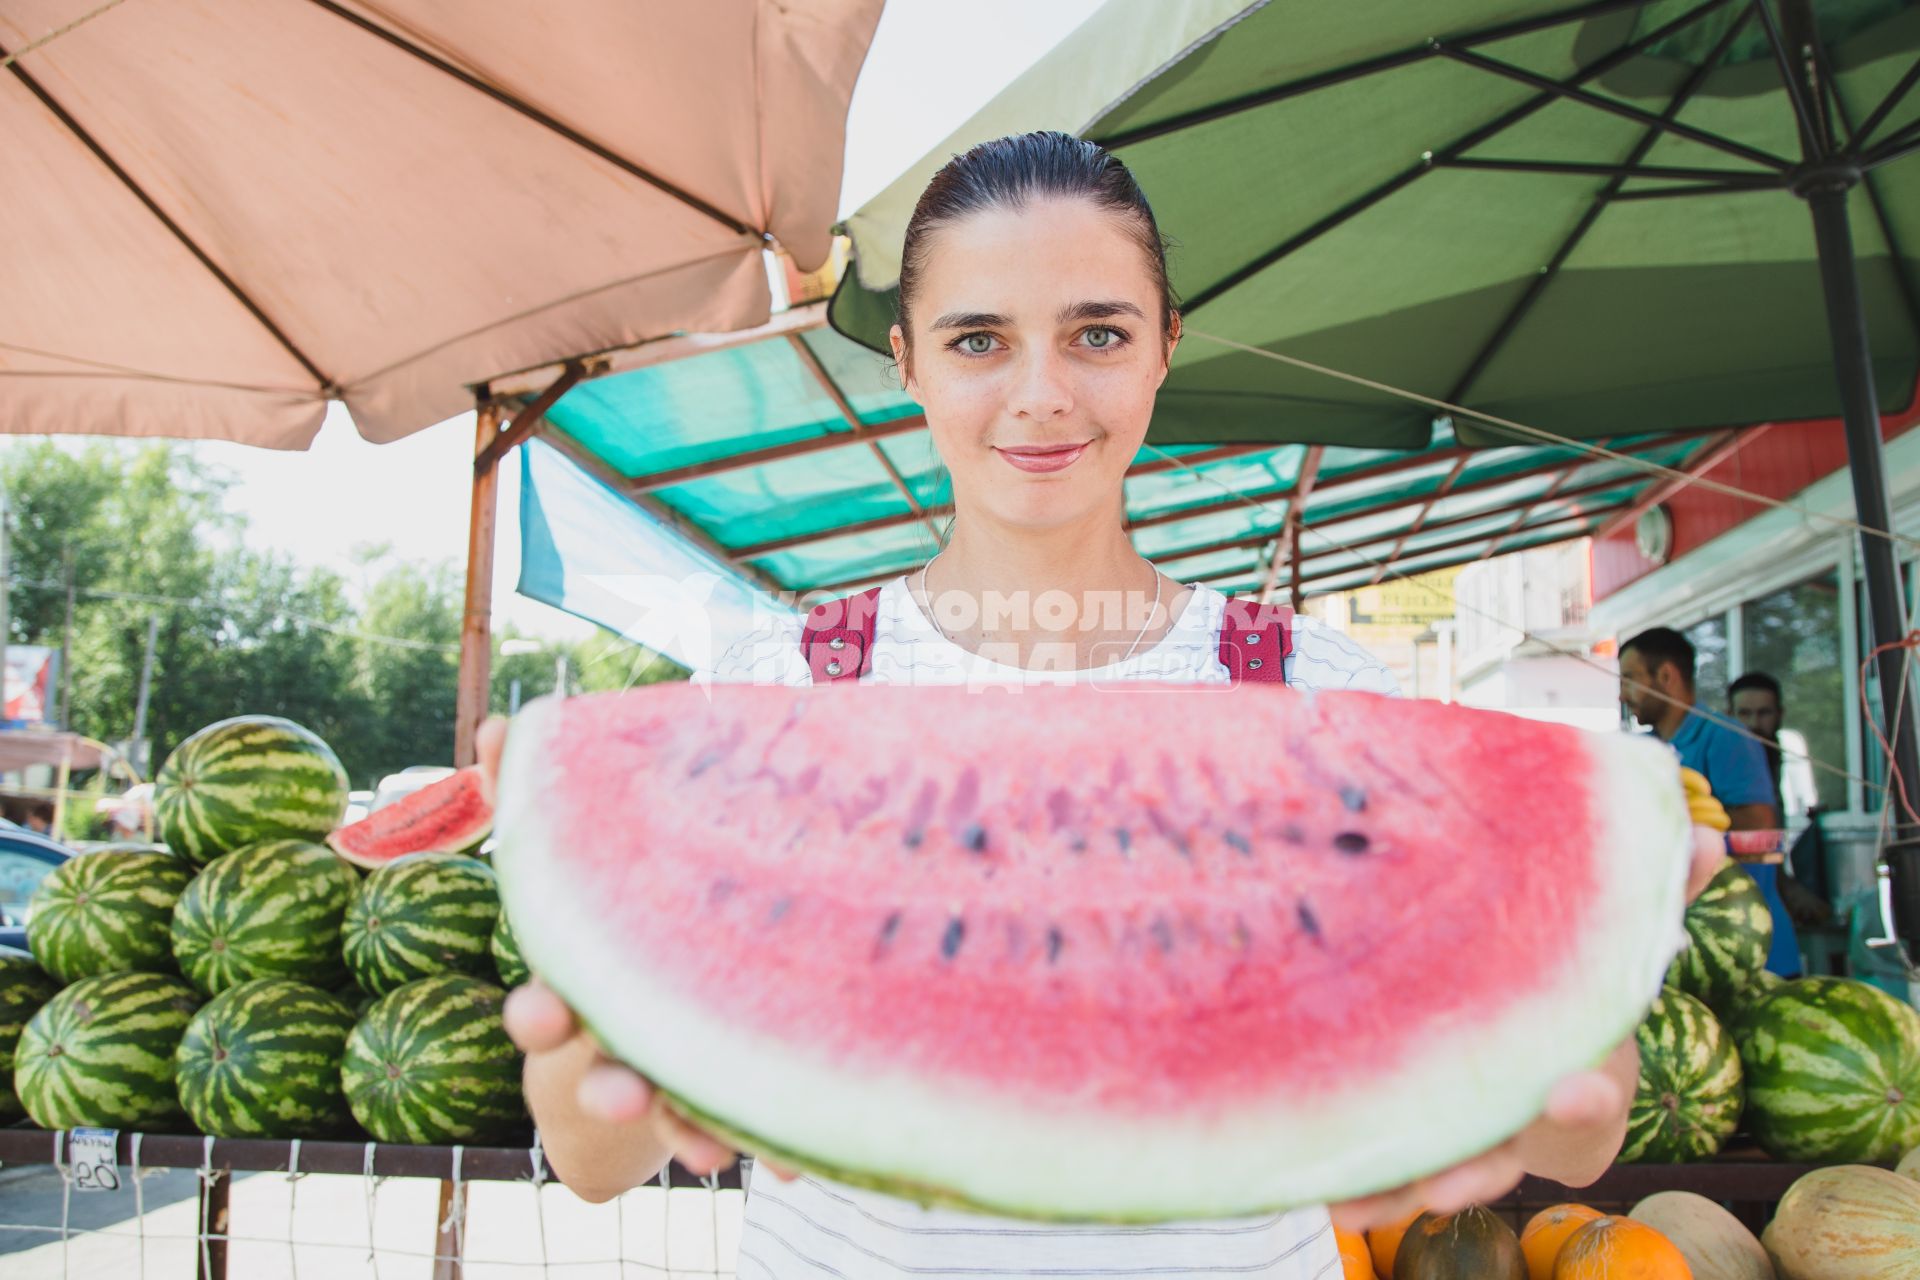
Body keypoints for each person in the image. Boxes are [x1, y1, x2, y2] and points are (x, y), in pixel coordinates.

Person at [484, 132, 1692, 1279]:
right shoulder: (773, 691)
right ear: (905, 360)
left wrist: (1573, 952)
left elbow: (1577, 1146)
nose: (1044, 393)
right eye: (978, 341)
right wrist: (601, 1007)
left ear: (1167, 345)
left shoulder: (1324, 695)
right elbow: (594, 1166)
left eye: (1097, 334)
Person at [1620, 628, 1801, 975]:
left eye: (1629, 679)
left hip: (1750, 951)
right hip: (1685, 953)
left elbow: (1760, 826)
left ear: (1666, 676)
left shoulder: (1727, 737)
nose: (1623, 694)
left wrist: (1668, 822)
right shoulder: (1645, 749)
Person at [1728, 672, 1820, 822]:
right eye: (1744, 713)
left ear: (1780, 714)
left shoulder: (1785, 754)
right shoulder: (1716, 763)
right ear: (1729, 715)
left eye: (1764, 713)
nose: (1754, 724)